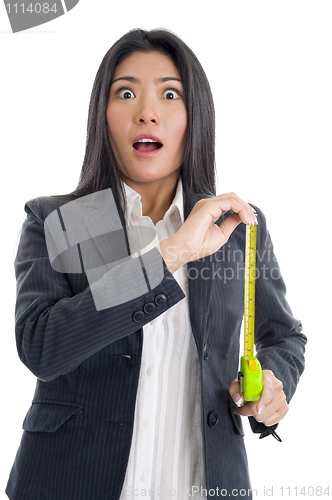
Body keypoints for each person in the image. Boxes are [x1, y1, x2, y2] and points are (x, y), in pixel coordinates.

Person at [5, 28, 306, 500]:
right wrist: (170, 255)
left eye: (170, 94)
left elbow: (285, 336)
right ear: (102, 117)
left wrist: (273, 379)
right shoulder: (60, 220)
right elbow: (42, 347)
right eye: (126, 93)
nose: (147, 112)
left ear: (195, 117)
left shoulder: (239, 226)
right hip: (69, 483)